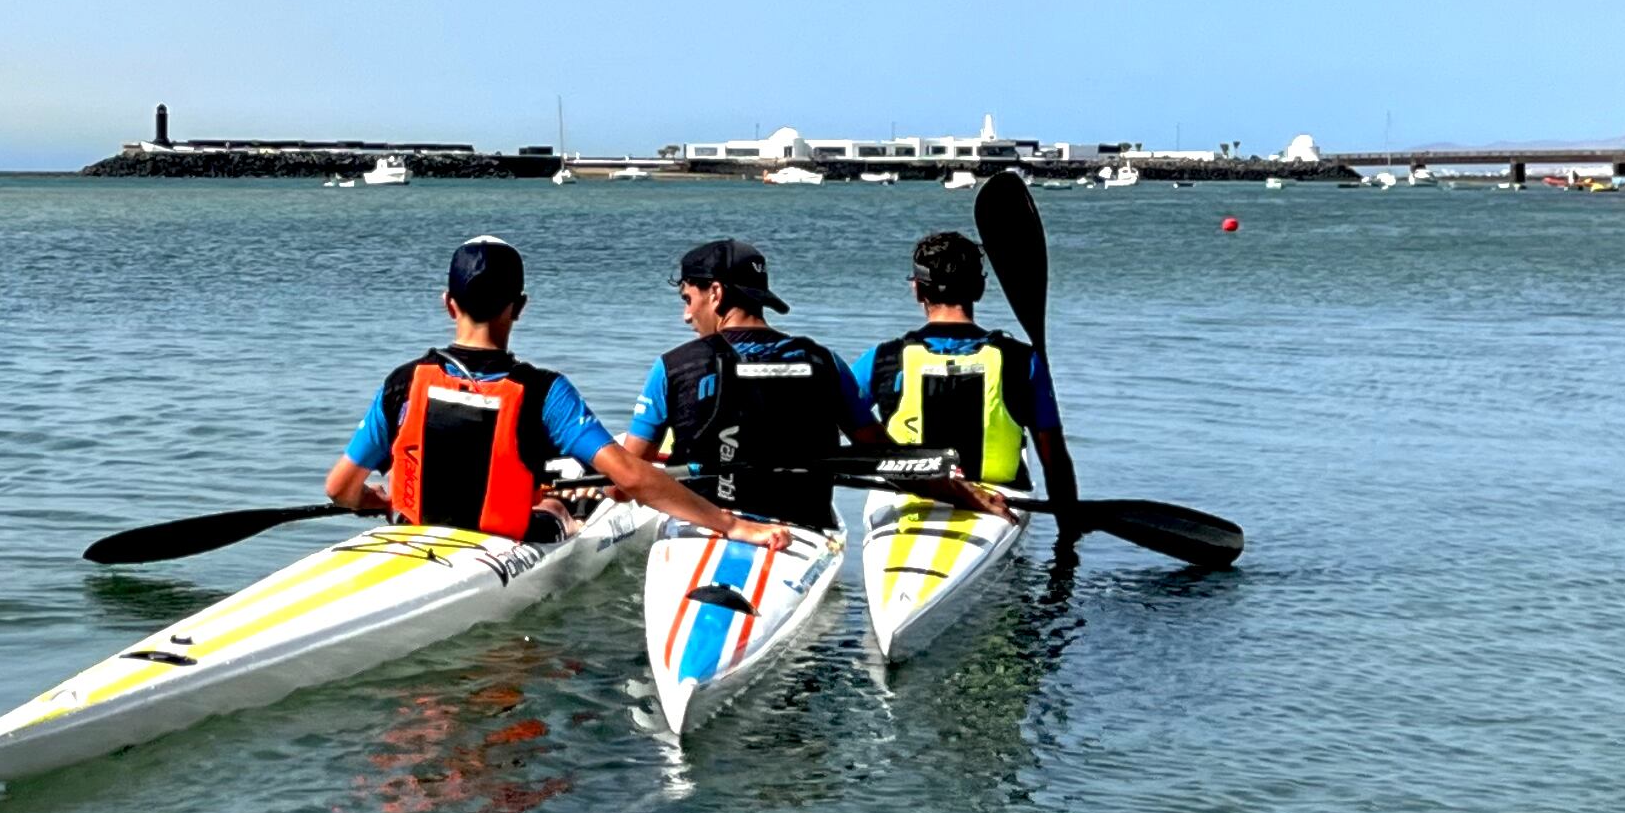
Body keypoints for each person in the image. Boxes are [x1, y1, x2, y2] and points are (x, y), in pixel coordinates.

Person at [327, 238, 788, 547]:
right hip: (505, 541)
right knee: (555, 502)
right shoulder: (545, 391)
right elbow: (630, 476)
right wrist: (730, 523)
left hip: (412, 537)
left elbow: (341, 489)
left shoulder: (403, 382)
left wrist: (379, 500)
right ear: (520, 308)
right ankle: (559, 510)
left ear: (449, 303)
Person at [615, 239, 890, 532]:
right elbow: (880, 454)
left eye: (688, 299)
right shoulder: (825, 362)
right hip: (803, 530)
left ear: (716, 293)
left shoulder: (673, 367)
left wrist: (599, 487)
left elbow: (621, 487)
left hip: (703, 528)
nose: (686, 316)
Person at [862, 228, 1072, 512]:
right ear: (980, 289)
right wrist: (1067, 538)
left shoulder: (881, 359)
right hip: (1001, 501)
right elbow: (1054, 460)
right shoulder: (1024, 361)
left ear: (918, 291)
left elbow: (825, 421)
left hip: (903, 497)